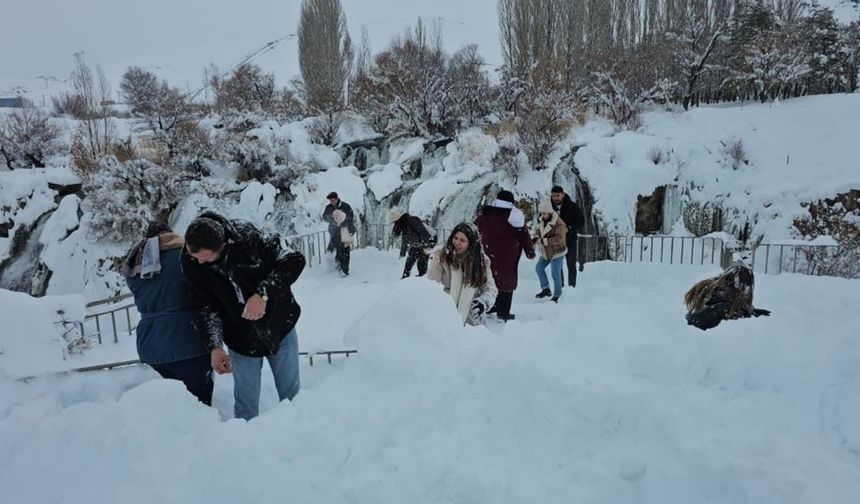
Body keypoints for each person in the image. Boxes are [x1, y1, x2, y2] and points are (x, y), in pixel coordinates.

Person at [182, 212, 306, 420]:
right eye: (195, 257)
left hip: (280, 327)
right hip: (240, 339)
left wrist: (263, 294)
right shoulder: (191, 261)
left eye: (205, 258)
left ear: (221, 246)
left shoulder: (249, 236)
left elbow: (293, 260)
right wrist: (214, 346)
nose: (200, 262)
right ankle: (247, 446)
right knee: (245, 407)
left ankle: (300, 436)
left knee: (292, 397)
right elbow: (202, 305)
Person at [121, 221, 213, 405]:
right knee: (199, 404)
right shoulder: (187, 256)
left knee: (167, 408)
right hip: (188, 340)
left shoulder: (135, 264)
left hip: (150, 346)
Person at [475, 190, 535, 321]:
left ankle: (491, 305)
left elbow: (477, 226)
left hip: (487, 252)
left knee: (490, 279)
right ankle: (503, 312)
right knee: (506, 283)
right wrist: (530, 252)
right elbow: (524, 236)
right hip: (508, 256)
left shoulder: (487, 213)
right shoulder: (515, 217)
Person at [427, 222, 498, 326]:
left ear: (471, 244)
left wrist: (483, 302)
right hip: (445, 314)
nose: (457, 243)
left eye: (463, 240)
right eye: (455, 238)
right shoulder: (441, 257)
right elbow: (431, 288)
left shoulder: (481, 262)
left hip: (472, 320)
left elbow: (490, 289)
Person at [684, 264, 771, 331]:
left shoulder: (723, 294)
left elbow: (738, 310)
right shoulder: (724, 303)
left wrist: (754, 313)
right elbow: (695, 320)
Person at [533, 200, 568, 303]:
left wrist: (543, 241)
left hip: (557, 251)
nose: (542, 215)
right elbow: (538, 231)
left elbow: (559, 239)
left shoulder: (559, 223)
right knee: (539, 268)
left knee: (555, 273)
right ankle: (546, 289)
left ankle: (557, 295)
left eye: (544, 213)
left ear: (549, 212)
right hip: (546, 251)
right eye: (541, 213)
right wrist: (536, 238)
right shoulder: (542, 220)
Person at [550, 185, 585, 287]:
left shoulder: (572, 206)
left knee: (571, 264)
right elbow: (541, 220)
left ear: (563, 195)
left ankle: (572, 287)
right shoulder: (548, 207)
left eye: (557, 195)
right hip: (556, 241)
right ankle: (559, 287)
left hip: (570, 240)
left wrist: (569, 228)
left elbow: (581, 221)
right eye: (553, 196)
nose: (556, 198)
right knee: (557, 265)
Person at [389, 209, 437, 278]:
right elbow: (404, 241)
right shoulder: (404, 226)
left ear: (398, 221)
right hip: (418, 242)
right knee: (410, 260)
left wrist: (428, 245)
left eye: (393, 223)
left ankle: (422, 278)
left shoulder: (413, 220)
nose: (393, 226)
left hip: (429, 239)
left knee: (421, 260)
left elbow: (424, 232)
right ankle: (405, 278)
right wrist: (402, 254)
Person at [322, 192, 356, 276]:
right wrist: (332, 218)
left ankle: (344, 270)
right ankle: (337, 266)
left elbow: (350, 217)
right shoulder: (328, 207)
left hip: (344, 231)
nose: (331, 202)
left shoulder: (345, 206)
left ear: (337, 198)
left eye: (333, 200)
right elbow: (324, 218)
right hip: (334, 232)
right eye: (330, 201)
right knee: (333, 250)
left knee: (345, 251)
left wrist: (348, 226)